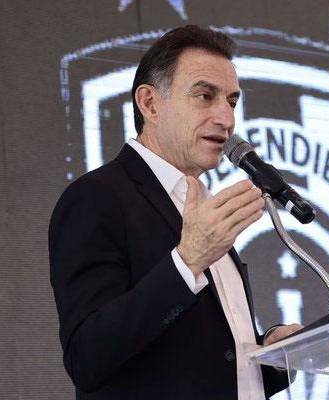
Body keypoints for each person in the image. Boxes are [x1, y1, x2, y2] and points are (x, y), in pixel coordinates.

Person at [49, 25, 301, 400]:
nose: (227, 119)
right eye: (205, 96)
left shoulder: (200, 204)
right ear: (150, 104)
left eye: (232, 101)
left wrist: (271, 354)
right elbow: (87, 357)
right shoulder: (96, 198)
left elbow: (201, 358)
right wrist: (188, 261)